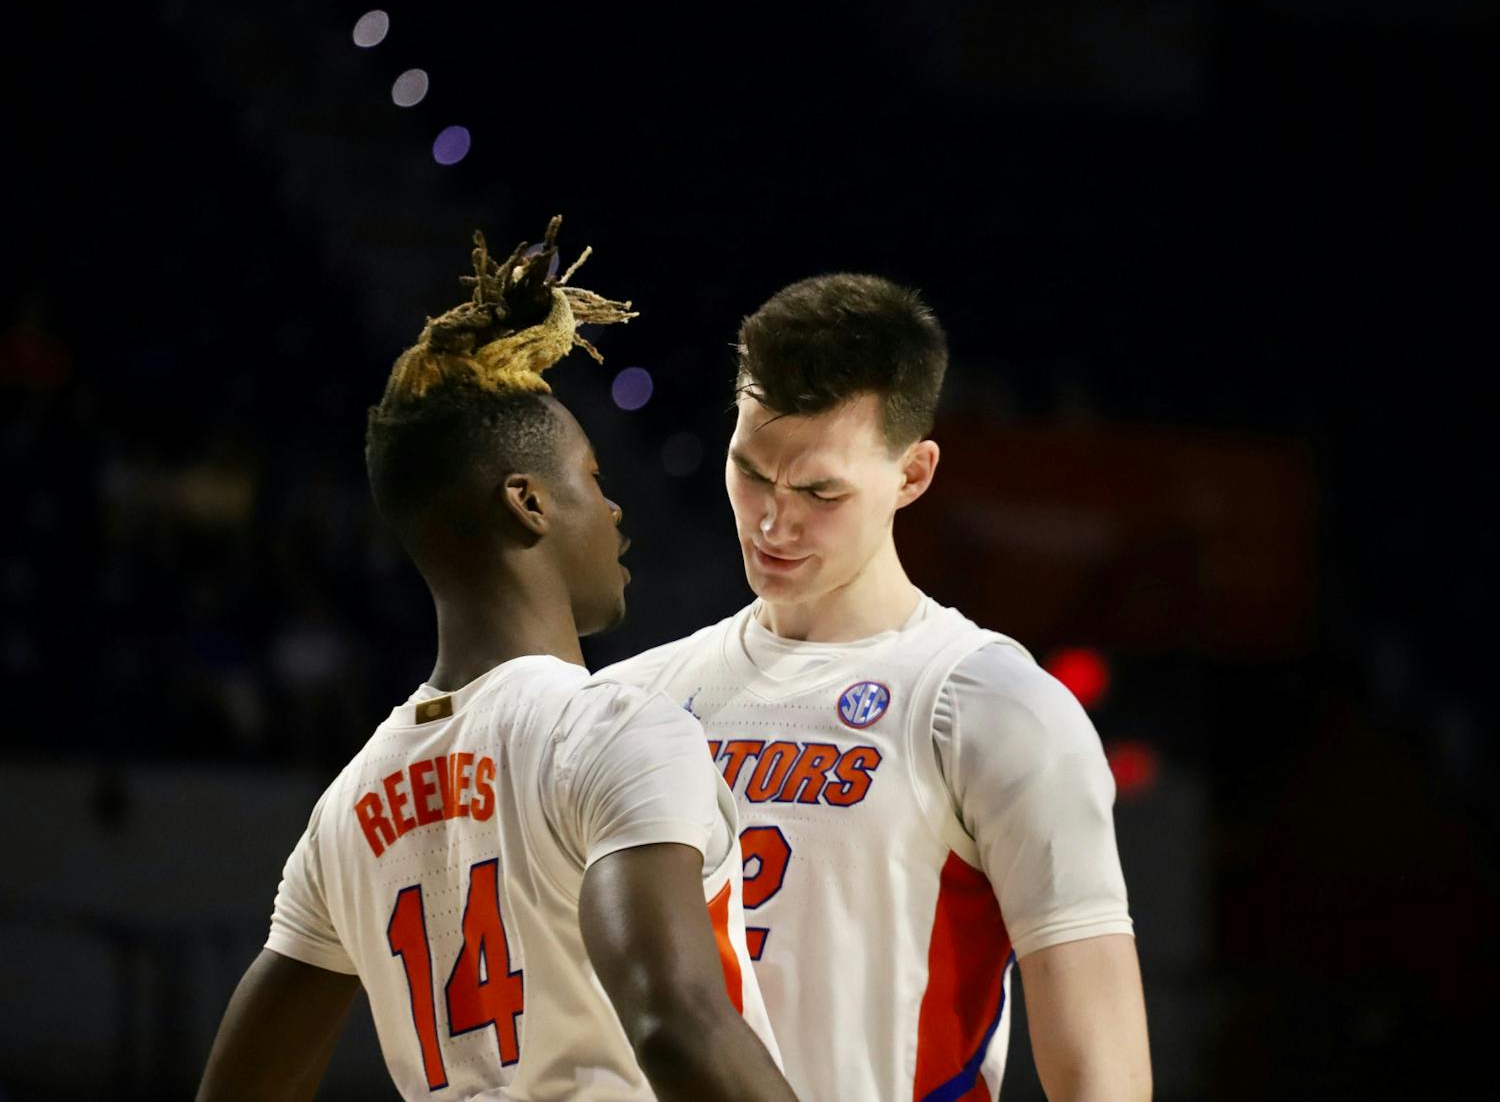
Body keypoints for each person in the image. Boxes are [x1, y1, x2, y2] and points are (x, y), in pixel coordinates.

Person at [197, 219, 795, 1102]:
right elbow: (676, 1024)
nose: (615, 509)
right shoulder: (613, 729)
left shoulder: (349, 805)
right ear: (528, 502)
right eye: (593, 477)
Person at [596, 273, 1152, 1100]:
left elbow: (1103, 1071)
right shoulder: (630, 699)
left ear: (913, 473)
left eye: (819, 490)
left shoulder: (995, 706)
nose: (773, 520)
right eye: (750, 472)